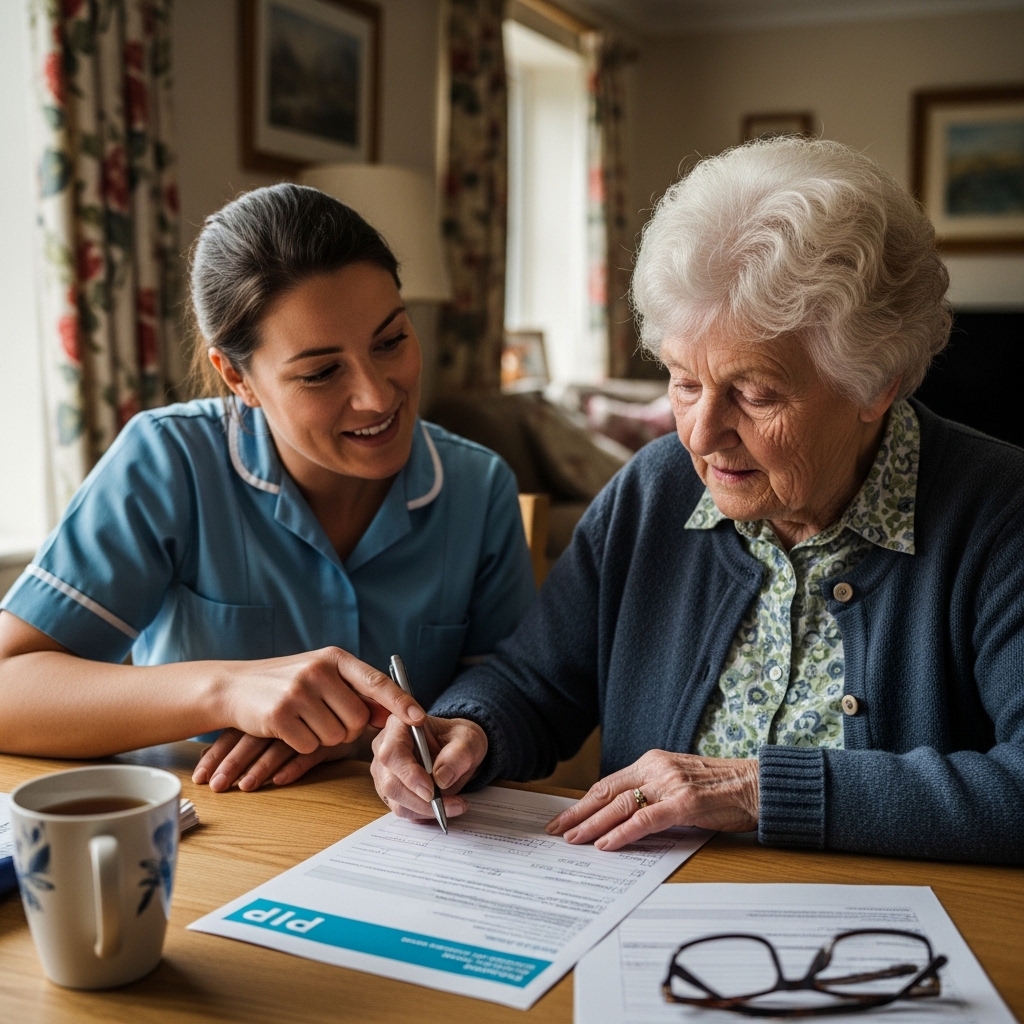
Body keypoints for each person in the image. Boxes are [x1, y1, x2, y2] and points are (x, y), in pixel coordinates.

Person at [372, 138, 1024, 865]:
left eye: (755, 392)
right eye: (684, 381)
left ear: (877, 384)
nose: (703, 434)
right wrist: (468, 729)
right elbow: (534, 680)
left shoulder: (999, 515)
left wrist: (756, 790)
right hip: (642, 926)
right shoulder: (654, 491)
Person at [0, 184, 535, 794]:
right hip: (215, 835)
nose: (378, 396)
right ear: (238, 377)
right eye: (321, 372)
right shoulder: (168, 461)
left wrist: (408, 733)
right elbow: (8, 684)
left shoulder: (478, 485)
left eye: (391, 341)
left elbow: (512, 695)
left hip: (403, 841)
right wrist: (227, 691)